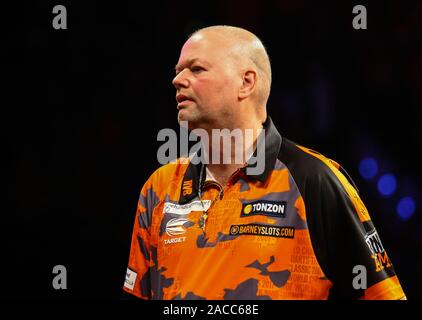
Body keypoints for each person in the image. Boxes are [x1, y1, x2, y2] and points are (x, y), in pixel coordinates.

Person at [122, 25, 406, 300]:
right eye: (178, 71)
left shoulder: (314, 180)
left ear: (246, 82)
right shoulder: (159, 187)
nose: (178, 79)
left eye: (196, 69)